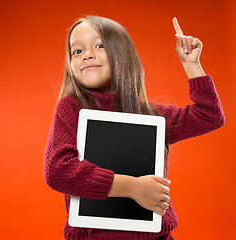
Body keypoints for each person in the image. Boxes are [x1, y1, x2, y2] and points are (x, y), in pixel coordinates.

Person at [43, 16, 225, 240]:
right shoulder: (71, 108)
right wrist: (133, 187)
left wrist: (191, 64)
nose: (87, 55)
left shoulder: (149, 114)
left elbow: (209, 116)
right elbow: (58, 171)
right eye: (77, 51)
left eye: (99, 46)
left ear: (122, 55)